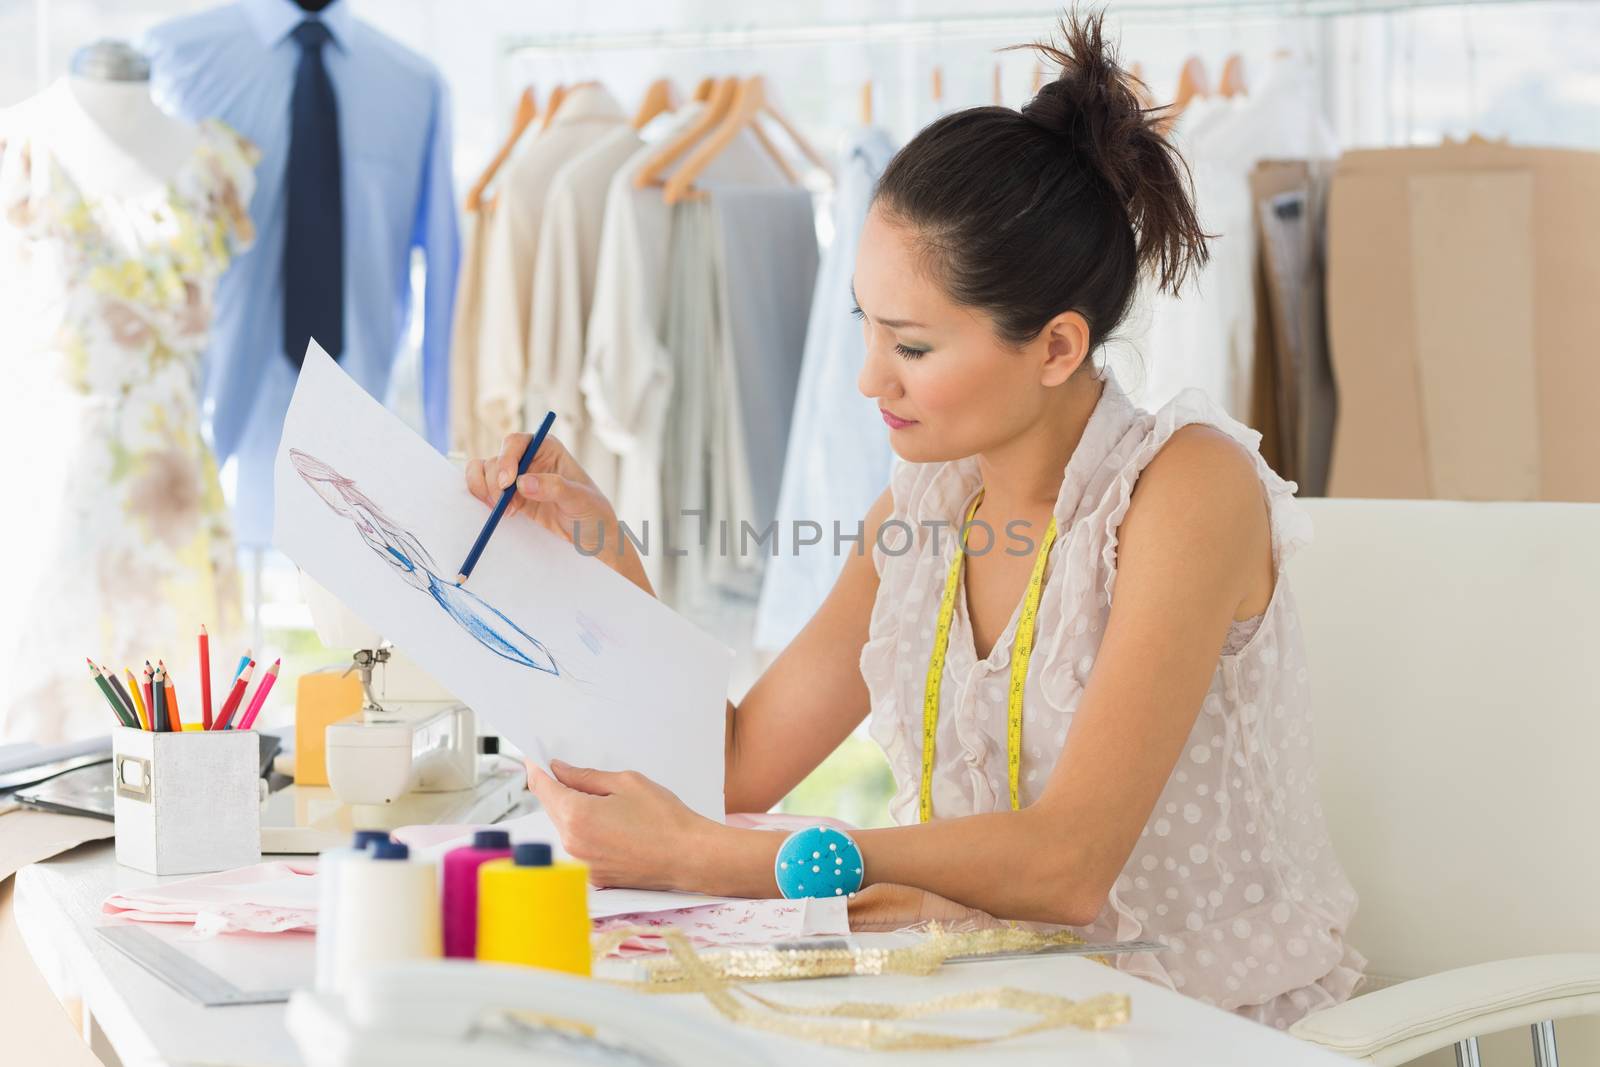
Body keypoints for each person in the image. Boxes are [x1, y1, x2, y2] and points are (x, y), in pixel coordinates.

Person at [465, 12, 1365, 1030]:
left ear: (1058, 346)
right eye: (865, 324)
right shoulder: (925, 513)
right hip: (987, 1002)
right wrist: (598, 547)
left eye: (914, 347)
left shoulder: (1186, 489)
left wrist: (722, 857)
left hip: (1196, 1021)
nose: (866, 377)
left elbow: (1069, 864)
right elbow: (731, 762)